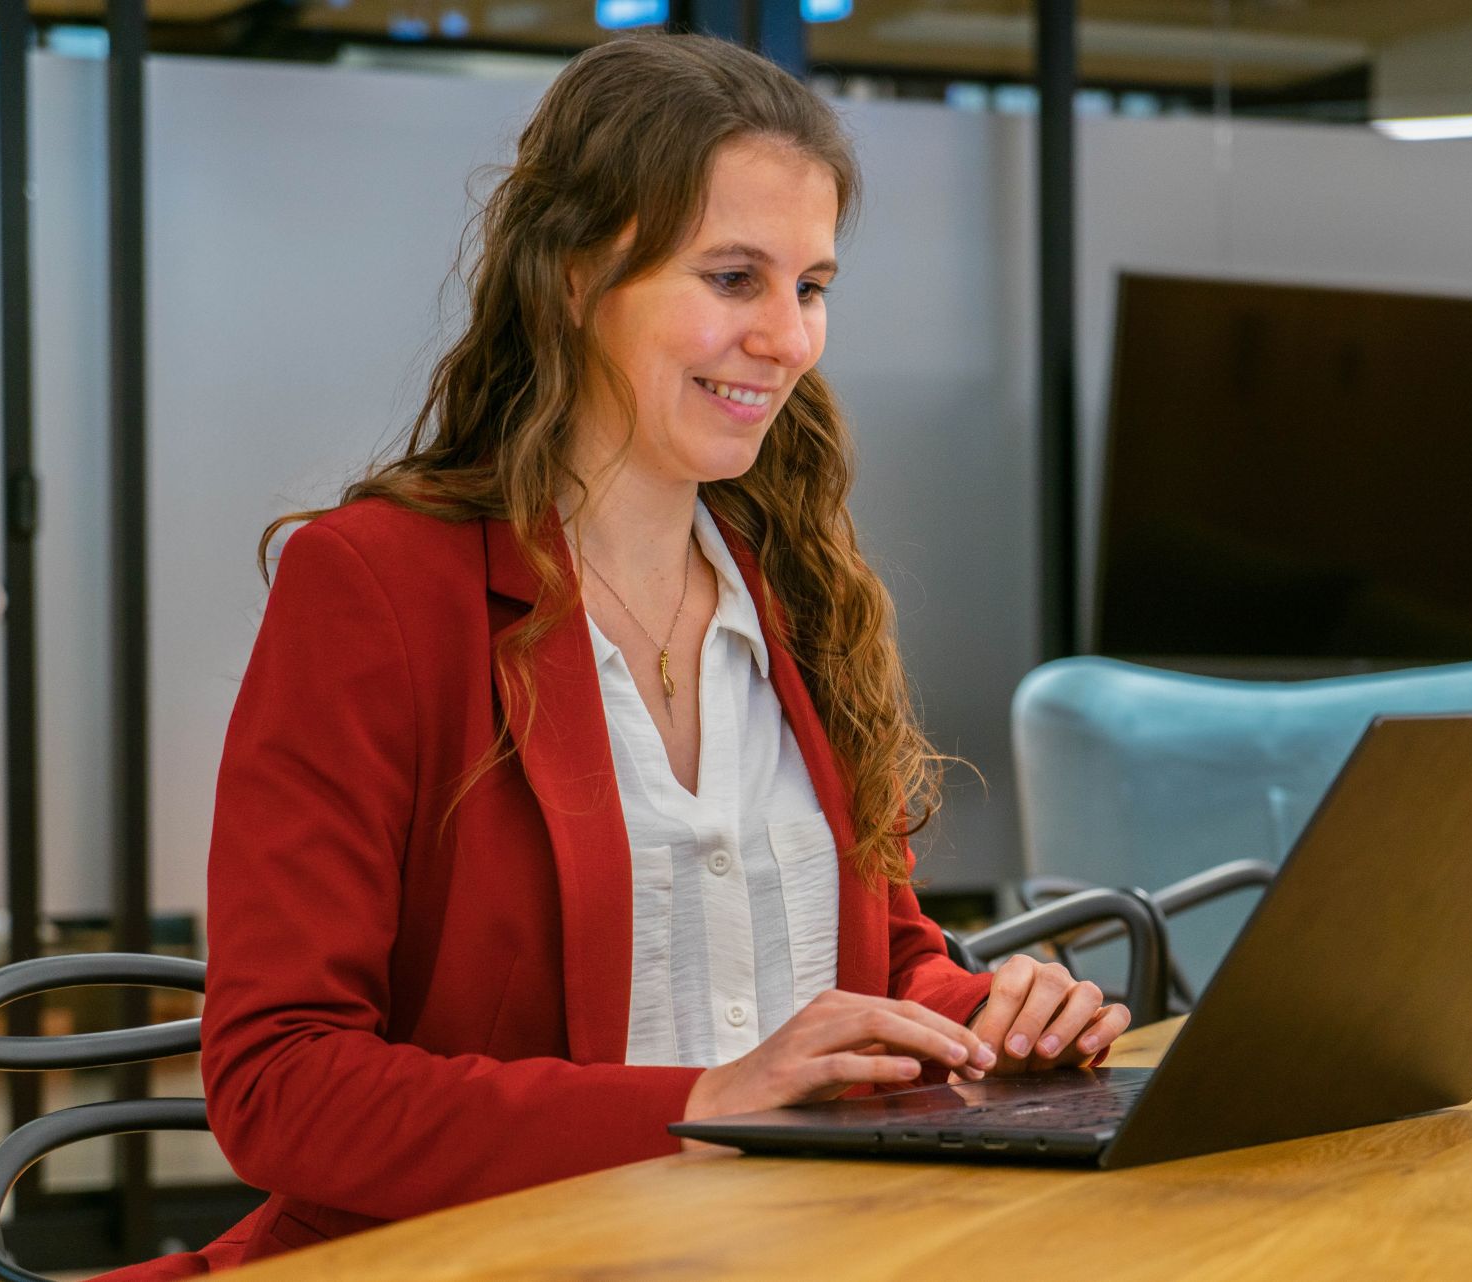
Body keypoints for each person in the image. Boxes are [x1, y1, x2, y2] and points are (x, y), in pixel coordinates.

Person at [112, 33, 1129, 1278]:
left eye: (811, 287)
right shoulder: (378, 584)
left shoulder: (800, 587)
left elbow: (880, 955)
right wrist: (702, 1103)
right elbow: (281, 1083)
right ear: (574, 276)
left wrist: (991, 1017)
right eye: (734, 278)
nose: (789, 339)